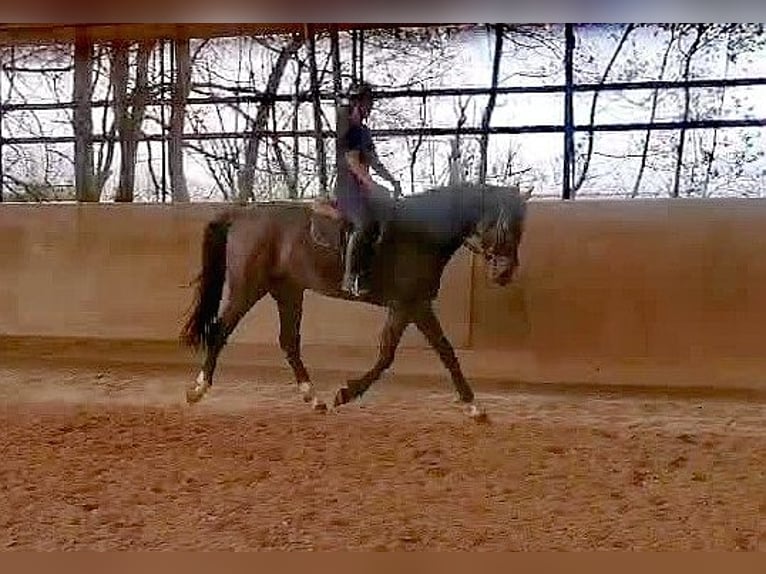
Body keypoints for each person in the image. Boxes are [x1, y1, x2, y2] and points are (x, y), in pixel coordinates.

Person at [336, 81, 401, 297]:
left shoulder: (364, 131)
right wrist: (373, 185)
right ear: (358, 103)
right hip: (348, 191)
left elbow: (373, 161)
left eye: (370, 102)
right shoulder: (349, 130)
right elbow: (353, 163)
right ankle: (351, 276)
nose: (370, 107)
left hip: (363, 189)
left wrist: (392, 181)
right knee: (364, 223)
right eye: (368, 102)